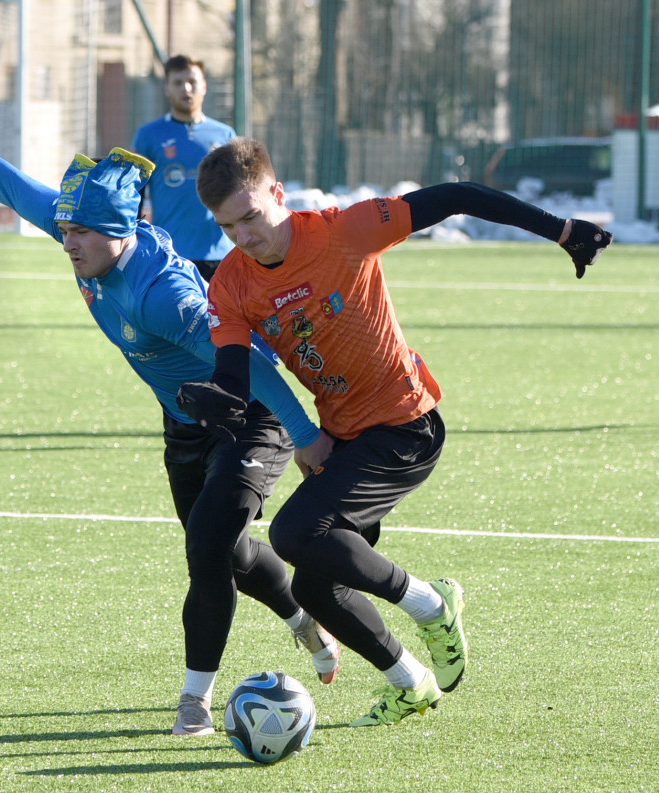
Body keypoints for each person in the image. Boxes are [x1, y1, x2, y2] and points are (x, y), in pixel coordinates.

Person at [0, 111, 342, 737]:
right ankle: (302, 620)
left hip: (249, 417)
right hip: (185, 421)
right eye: (65, 230)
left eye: (81, 234)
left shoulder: (163, 297)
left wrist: (304, 435)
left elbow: (258, 370)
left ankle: (195, 701)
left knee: (206, 549)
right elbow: (11, 187)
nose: (68, 243)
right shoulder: (88, 242)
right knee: (231, 551)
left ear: (119, 233)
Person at [178, 137, 613, 727]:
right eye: (228, 227)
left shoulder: (344, 230)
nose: (244, 236)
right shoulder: (231, 282)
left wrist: (560, 229)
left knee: (294, 531)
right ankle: (411, 682)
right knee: (315, 588)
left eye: (251, 217)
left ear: (277, 194)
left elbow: (456, 197)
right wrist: (217, 401)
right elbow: (234, 370)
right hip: (347, 437)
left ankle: (432, 603)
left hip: (406, 425)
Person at [131, 55, 235, 281]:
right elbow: (134, 192)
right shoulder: (149, 136)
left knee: (224, 317)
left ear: (204, 86)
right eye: (178, 83)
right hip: (171, 253)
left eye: (192, 82)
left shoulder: (224, 135)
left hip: (220, 253)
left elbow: (239, 192)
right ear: (167, 89)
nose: (186, 88)